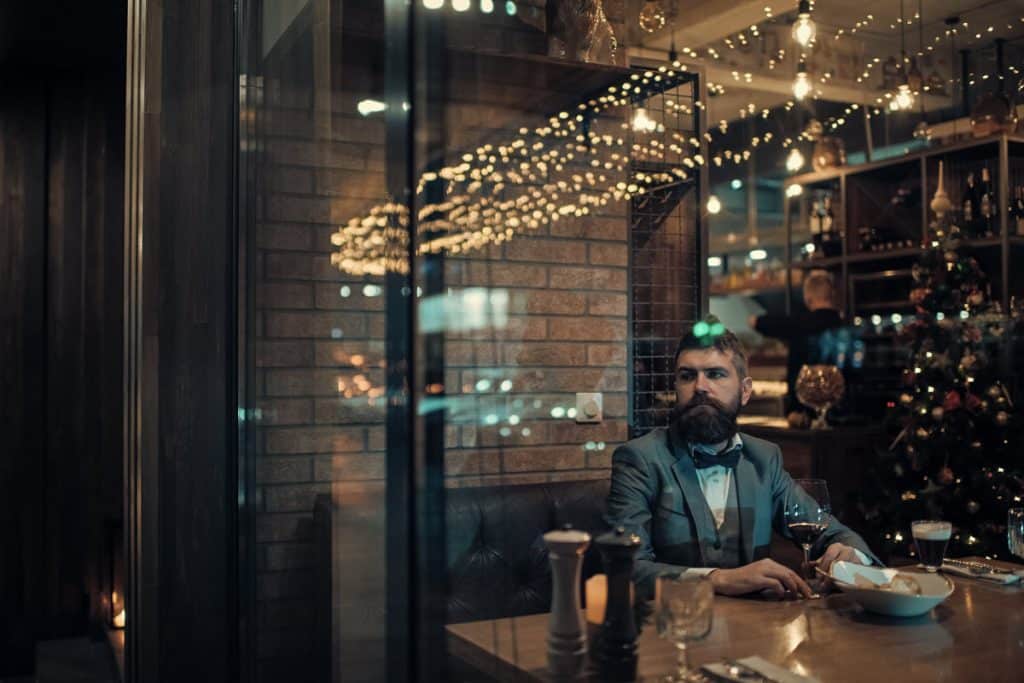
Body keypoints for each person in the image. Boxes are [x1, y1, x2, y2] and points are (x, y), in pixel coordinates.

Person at [605, 317, 877, 599]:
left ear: (745, 391)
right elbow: (623, 568)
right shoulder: (639, 458)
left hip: (754, 632)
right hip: (671, 630)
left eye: (715, 374)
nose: (700, 386)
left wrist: (850, 554)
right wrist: (717, 580)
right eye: (687, 376)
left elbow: (830, 531)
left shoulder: (764, 458)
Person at [748, 270, 843, 413]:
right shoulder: (843, 324)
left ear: (808, 297)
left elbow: (758, 322)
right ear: (831, 295)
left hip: (802, 409)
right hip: (840, 406)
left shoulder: (801, 323)